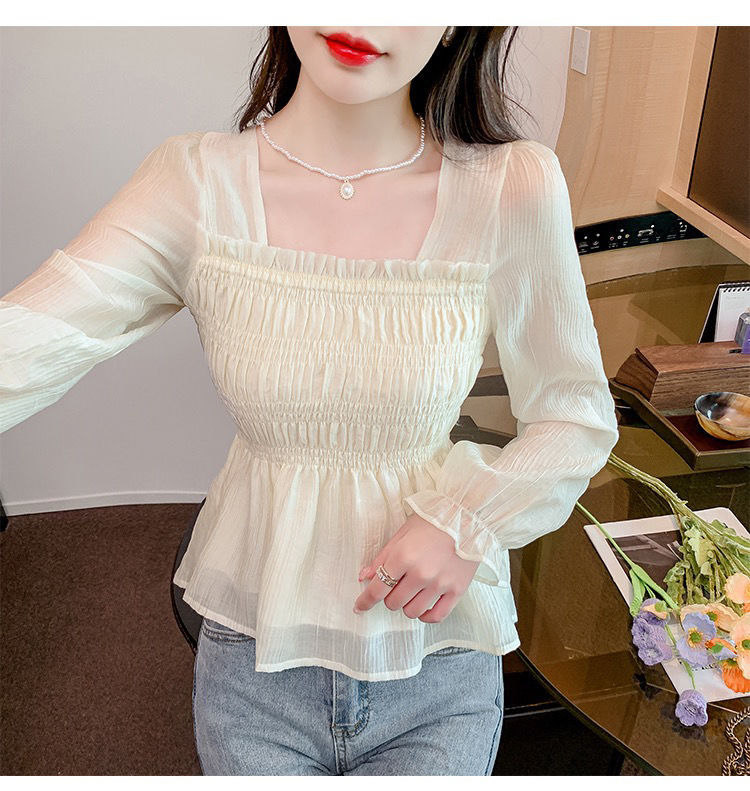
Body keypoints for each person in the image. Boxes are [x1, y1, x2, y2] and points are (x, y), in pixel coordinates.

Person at [0, 26, 620, 775]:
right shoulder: (194, 182)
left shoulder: (512, 184)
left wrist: (467, 523)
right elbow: (32, 338)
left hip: (435, 661)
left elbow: (574, 415)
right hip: (256, 663)